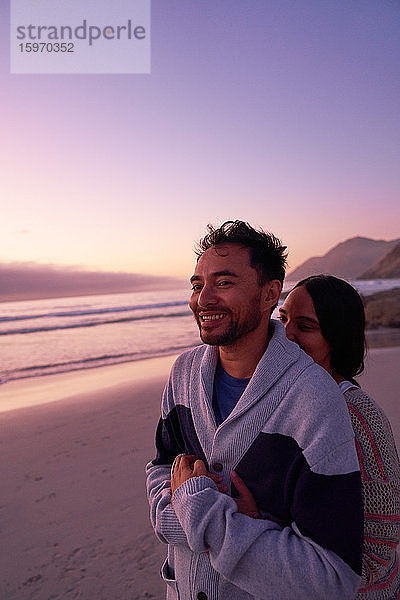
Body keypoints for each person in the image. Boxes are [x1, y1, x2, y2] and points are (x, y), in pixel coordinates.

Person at [146, 221, 364, 600]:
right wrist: (179, 514)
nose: (203, 298)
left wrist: (201, 512)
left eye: (224, 283)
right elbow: (162, 468)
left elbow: (334, 578)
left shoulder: (314, 398)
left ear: (269, 295)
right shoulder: (183, 373)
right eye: (198, 285)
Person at [275, 275, 400, 599]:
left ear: (336, 339)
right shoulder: (294, 401)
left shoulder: (357, 417)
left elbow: (376, 556)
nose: (285, 335)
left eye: (304, 326)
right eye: (283, 318)